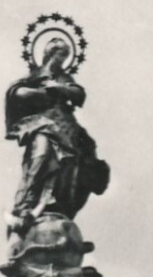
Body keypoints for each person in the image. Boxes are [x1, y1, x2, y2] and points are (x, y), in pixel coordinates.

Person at [6, 36, 110, 234]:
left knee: (74, 162)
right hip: (41, 123)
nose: (62, 60)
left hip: (65, 125)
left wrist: (61, 89)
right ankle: (26, 206)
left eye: (65, 56)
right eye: (60, 54)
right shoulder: (36, 75)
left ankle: (59, 203)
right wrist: (39, 94)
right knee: (42, 154)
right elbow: (16, 92)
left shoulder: (63, 77)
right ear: (49, 53)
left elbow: (78, 93)